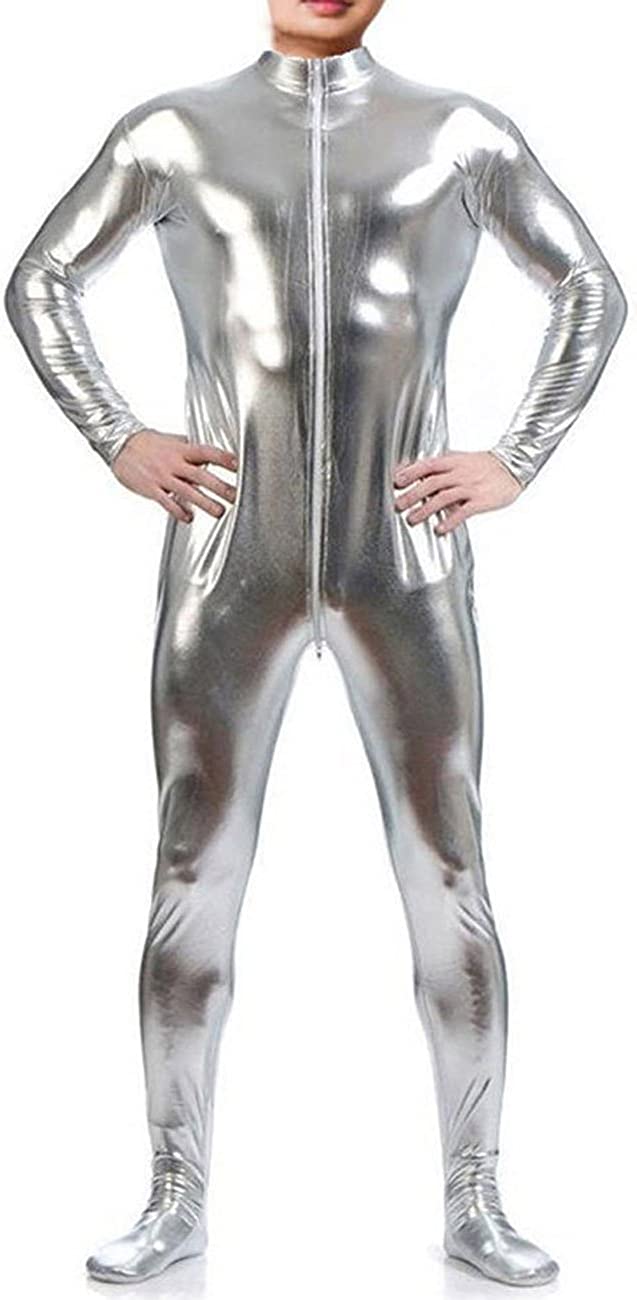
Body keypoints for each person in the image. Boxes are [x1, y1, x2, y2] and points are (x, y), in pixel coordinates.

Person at [4, 0, 627, 1287]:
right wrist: (117, 431)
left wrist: (515, 454)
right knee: (196, 867)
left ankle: (475, 1199)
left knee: (446, 867)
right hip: (230, 560)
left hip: (406, 557)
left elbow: (590, 287)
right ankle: (173, 1196)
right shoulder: (174, 133)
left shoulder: (460, 132)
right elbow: (41, 279)